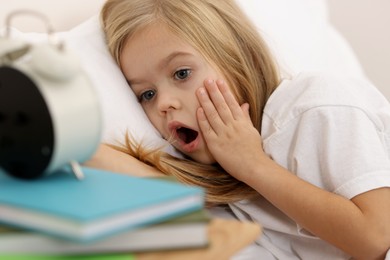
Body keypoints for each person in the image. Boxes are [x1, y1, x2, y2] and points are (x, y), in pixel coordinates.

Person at [89, 0, 390, 259]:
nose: (165, 103)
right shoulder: (228, 186)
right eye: (147, 94)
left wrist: (253, 164)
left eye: (182, 73)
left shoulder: (314, 105)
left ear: (236, 55)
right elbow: (147, 182)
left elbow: (376, 237)